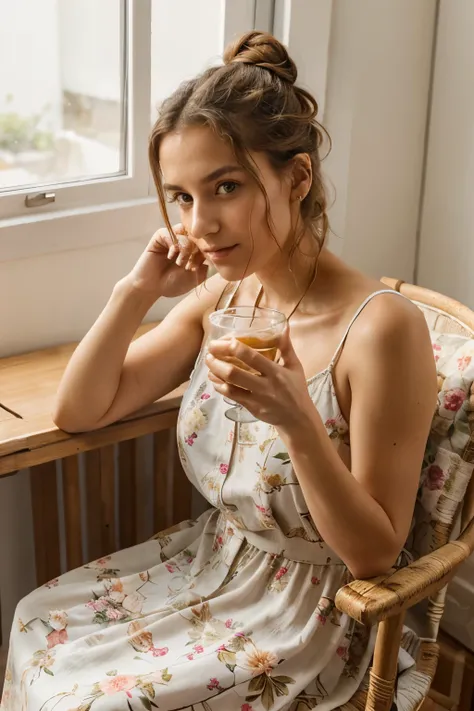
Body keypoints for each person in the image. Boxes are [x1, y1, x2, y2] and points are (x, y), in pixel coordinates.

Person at [1, 31, 437, 711]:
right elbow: (79, 410)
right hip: (214, 563)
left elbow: (377, 555)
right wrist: (135, 293)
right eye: (180, 197)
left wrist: (299, 422)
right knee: (33, 620)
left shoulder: (382, 330)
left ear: (296, 179)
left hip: (311, 619)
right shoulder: (226, 299)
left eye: (225, 188)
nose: (200, 223)